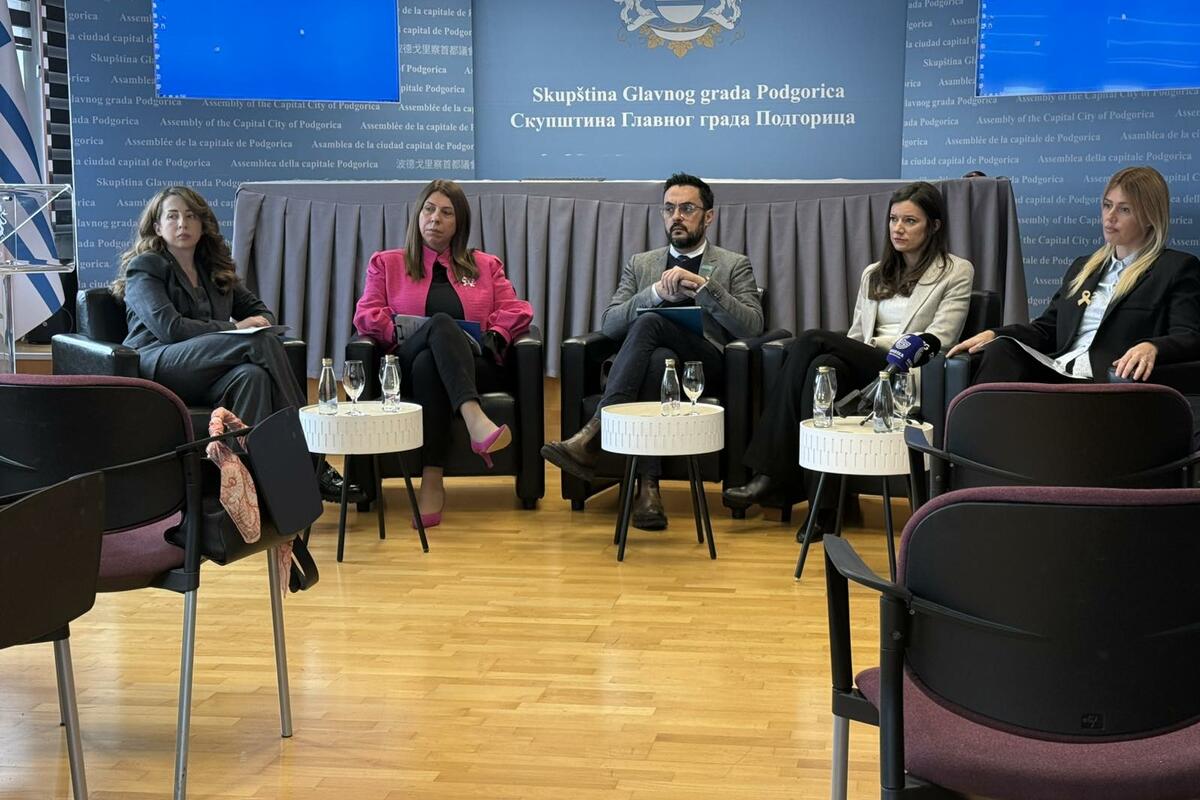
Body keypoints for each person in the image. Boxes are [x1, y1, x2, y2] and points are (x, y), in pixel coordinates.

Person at [723, 181, 974, 519]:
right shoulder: (874, 273)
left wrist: (883, 349)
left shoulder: (956, 271)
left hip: (904, 369)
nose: (898, 228)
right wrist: (853, 352)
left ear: (934, 226)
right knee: (821, 367)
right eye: (893, 219)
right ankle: (825, 512)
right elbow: (857, 334)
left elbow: (942, 337)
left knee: (811, 339)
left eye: (910, 221)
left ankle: (769, 474)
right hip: (866, 365)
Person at [541, 173, 764, 531]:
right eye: (669, 209)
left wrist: (705, 288)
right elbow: (610, 324)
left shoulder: (734, 264)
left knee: (649, 323)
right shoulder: (641, 264)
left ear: (708, 216)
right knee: (658, 359)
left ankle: (594, 432)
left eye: (687, 209)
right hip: (655, 366)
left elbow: (752, 326)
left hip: (705, 366)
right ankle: (648, 490)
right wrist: (655, 294)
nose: (676, 216)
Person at [112, 186, 356, 501]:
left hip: (205, 370)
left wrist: (255, 322)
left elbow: (261, 313)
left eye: (190, 216)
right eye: (172, 216)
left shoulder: (214, 269)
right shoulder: (146, 267)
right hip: (158, 363)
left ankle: (246, 487)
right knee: (258, 343)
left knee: (252, 377)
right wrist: (235, 328)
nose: (182, 223)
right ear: (158, 227)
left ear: (202, 225)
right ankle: (313, 456)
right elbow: (170, 329)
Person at [354, 179, 533, 528]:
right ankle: (475, 419)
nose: (435, 218)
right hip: (404, 362)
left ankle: (431, 480)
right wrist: (395, 329)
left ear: (459, 223)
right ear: (418, 215)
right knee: (438, 326)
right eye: (429, 209)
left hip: (471, 364)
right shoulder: (387, 264)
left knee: (430, 365)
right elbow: (366, 313)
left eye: (447, 213)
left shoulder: (485, 265)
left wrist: (496, 334)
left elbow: (517, 309)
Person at [948, 166, 1200, 385]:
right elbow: (1047, 329)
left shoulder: (1175, 268)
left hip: (1105, 378)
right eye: (1107, 205)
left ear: (1149, 218)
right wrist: (995, 333)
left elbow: (1190, 336)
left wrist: (1152, 346)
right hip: (1059, 369)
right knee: (1002, 349)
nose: (1110, 217)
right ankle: (971, 426)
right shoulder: (1083, 267)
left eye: (1124, 210)